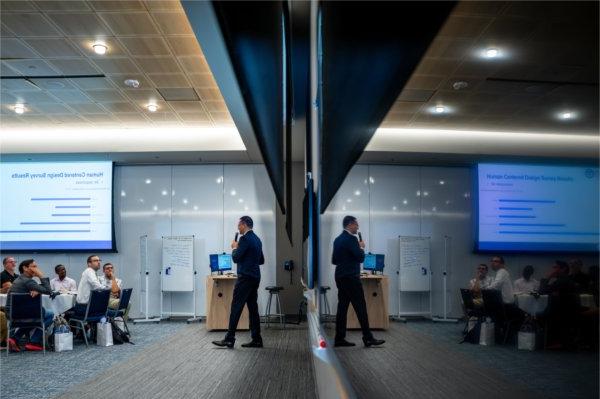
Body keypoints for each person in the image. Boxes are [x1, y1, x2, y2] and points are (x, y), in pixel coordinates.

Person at [331, 216, 385, 348]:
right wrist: (361, 247)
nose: (358, 227)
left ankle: (339, 339)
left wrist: (347, 260)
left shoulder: (338, 239)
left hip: (340, 276)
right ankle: (368, 338)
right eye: (356, 225)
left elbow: (334, 260)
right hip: (351, 278)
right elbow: (361, 258)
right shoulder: (352, 239)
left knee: (342, 308)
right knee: (360, 307)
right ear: (350, 224)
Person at [213, 216, 265, 349]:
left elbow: (235, 258)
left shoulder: (244, 239)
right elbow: (261, 260)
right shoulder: (257, 240)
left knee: (236, 307)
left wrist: (235, 247)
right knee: (253, 309)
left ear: (244, 224)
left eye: (239, 225)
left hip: (245, 278)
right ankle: (257, 339)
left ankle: (229, 339)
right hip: (255, 277)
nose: (238, 228)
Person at [6, 259, 54, 352]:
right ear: (25, 268)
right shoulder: (28, 282)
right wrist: (41, 275)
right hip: (22, 314)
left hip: (13, 313)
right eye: (34, 267)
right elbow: (49, 291)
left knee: (37, 315)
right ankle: (33, 342)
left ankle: (15, 338)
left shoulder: (20, 279)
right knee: (49, 314)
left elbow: (37, 288)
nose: (36, 269)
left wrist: (37, 290)